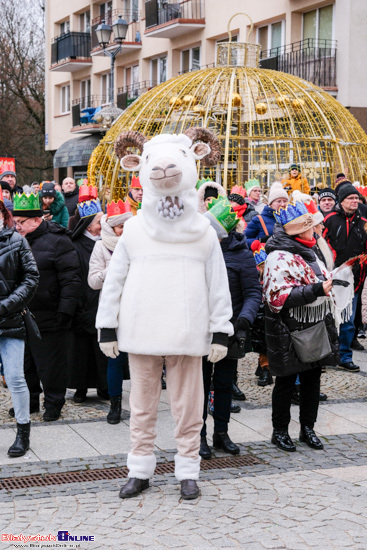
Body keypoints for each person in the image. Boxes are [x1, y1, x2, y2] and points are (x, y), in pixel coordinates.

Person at [96, 128, 233, 500]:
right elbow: (115, 280)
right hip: (142, 330)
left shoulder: (204, 232)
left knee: (188, 408)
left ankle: (188, 469)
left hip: (187, 334)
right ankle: (139, 469)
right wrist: (107, 324)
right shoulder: (135, 229)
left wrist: (220, 329)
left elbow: (218, 283)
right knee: (141, 407)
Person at [264, 200, 352, 452]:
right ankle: (279, 431)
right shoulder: (278, 256)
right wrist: (317, 289)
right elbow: (278, 296)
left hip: (315, 324)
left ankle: (307, 429)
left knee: (313, 379)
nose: (315, 230)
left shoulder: (311, 250)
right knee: (286, 382)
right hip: (288, 329)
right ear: (298, 230)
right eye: (311, 227)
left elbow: (320, 280)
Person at [199, 197, 262, 459]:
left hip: (232, 328)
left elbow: (252, 292)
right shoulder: (198, 253)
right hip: (201, 329)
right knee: (200, 386)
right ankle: (198, 434)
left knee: (224, 384)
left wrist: (245, 319)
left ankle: (221, 433)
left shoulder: (241, 253)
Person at [12, 192, 81, 421]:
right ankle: (30, 402)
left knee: (51, 365)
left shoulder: (59, 240)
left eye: (21, 222)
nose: (17, 226)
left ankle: (53, 403)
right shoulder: (15, 239)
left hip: (50, 313)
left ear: (37, 219)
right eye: (15, 221)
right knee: (25, 364)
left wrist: (65, 311)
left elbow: (71, 279)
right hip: (21, 313)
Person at [0, 189, 39, 457]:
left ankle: (23, 432)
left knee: (15, 377)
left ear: (4, 214)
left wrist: (6, 305)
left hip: (11, 319)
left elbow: (31, 278)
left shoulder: (16, 240)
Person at [88, 200, 133, 424]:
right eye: (119, 227)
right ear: (111, 227)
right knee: (115, 360)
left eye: (127, 226)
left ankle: (143, 403)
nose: (123, 231)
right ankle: (115, 404)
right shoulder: (100, 246)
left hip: (136, 309)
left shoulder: (138, 244)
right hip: (113, 310)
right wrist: (113, 268)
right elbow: (93, 281)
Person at [69, 184, 108, 402]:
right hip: (83, 302)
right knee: (81, 351)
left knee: (102, 349)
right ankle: (80, 387)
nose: (102, 225)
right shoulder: (75, 245)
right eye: (98, 221)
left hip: (101, 301)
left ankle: (104, 386)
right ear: (88, 224)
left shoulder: (105, 243)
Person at [323, 184, 367, 372]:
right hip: (331, 278)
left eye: (356, 198)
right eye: (351, 198)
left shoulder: (363, 221)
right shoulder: (330, 220)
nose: (355, 201)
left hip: (355, 280)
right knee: (327, 319)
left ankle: (344, 356)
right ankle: (323, 357)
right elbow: (321, 246)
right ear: (341, 201)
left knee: (348, 322)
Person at [245, 182, 289, 246]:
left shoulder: (292, 219)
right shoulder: (258, 220)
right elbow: (245, 240)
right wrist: (259, 241)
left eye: (285, 201)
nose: (282, 204)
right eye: (278, 201)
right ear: (270, 203)